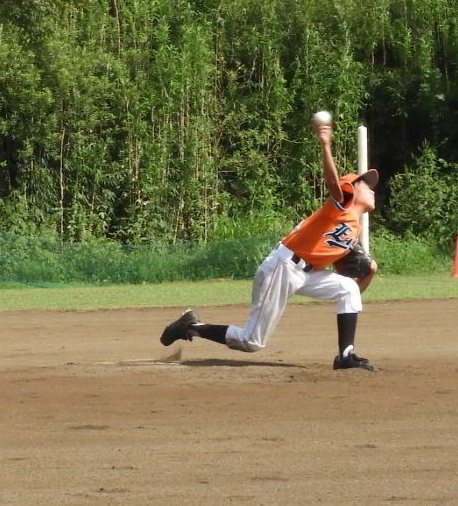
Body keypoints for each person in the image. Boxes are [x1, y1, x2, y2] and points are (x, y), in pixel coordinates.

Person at [158, 121, 381, 371]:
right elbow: (331, 183)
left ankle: (346, 357)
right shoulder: (340, 208)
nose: (372, 189)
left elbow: (352, 291)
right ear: (351, 189)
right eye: (366, 184)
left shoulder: (352, 231)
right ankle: (190, 326)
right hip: (283, 267)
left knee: (347, 289)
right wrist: (326, 144)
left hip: (305, 274)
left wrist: (369, 273)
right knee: (251, 341)